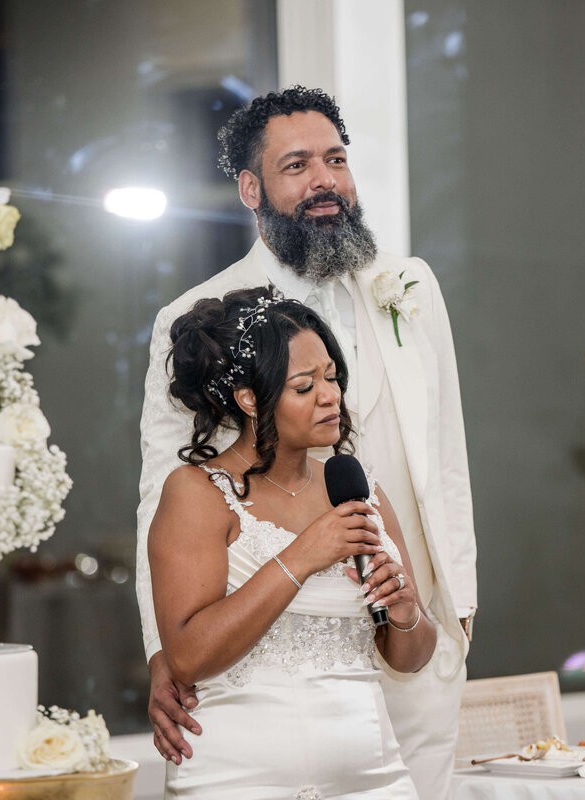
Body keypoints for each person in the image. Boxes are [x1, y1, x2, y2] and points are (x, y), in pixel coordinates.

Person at [136, 86, 477, 800]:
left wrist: (457, 606)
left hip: (406, 632)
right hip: (264, 657)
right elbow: (159, 495)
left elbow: (447, 456)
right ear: (251, 188)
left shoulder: (410, 287)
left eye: (336, 159)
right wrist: (162, 652)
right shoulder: (194, 317)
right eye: (297, 165)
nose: (324, 179)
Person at [150, 287, 434, 797]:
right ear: (250, 398)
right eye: (305, 386)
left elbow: (409, 658)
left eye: (331, 377)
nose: (331, 396)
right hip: (238, 780)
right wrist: (302, 555)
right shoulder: (198, 493)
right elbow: (189, 657)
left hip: (374, 780)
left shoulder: (359, 486)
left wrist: (407, 610)